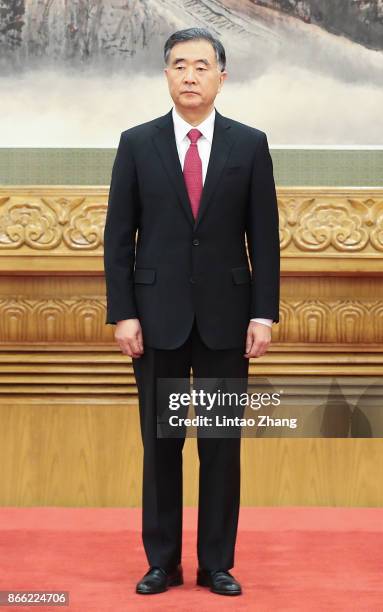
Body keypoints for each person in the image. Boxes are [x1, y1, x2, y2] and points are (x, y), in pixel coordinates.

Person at [103, 27, 280, 597]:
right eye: (180, 65)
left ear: (221, 78)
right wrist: (123, 313)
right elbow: (118, 238)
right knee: (162, 444)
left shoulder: (249, 145)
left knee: (221, 445)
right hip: (156, 318)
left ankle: (216, 564)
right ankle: (162, 562)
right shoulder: (137, 143)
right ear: (166, 75)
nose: (190, 76)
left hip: (229, 318)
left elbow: (265, 239)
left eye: (202, 66)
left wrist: (264, 314)